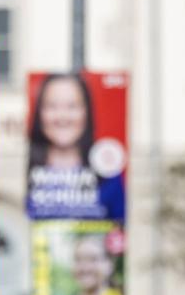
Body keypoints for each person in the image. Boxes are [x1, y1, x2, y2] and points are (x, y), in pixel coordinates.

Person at [26, 73, 124, 221]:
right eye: (51, 106)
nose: (62, 116)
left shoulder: (109, 178)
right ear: (39, 113)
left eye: (72, 106)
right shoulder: (27, 172)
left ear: (86, 112)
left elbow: (120, 228)